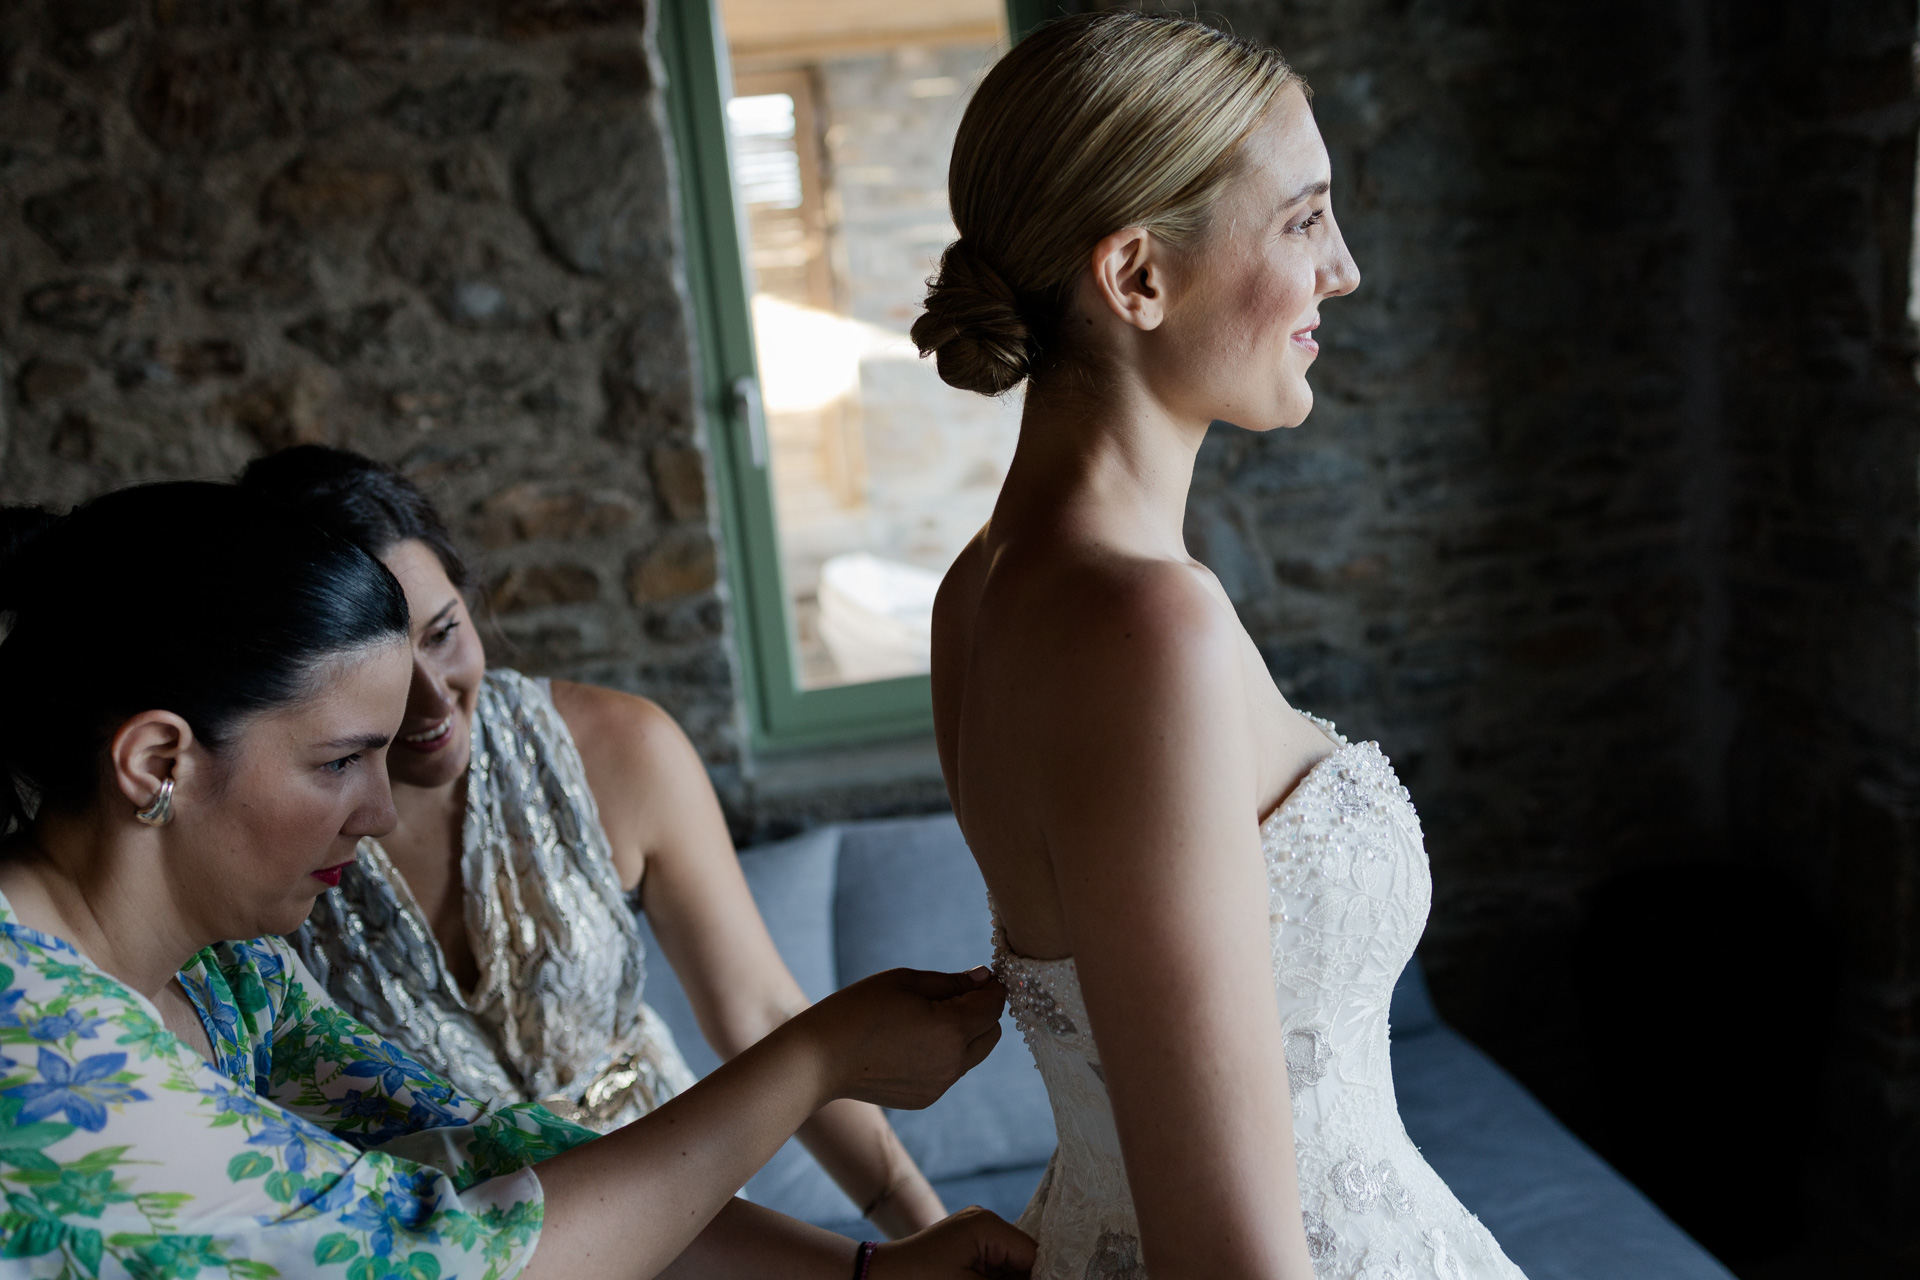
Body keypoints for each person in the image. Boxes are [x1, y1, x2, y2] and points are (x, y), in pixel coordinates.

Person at [0, 481, 1032, 1279]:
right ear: (159, 762)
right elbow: (466, 1258)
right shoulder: (35, 1040)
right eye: (339, 761)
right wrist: (816, 1056)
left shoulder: (233, 974)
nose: (379, 811)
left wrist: (867, 1269)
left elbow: (491, 1159)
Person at [916, 12, 1526, 1280]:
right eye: (1304, 221)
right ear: (1137, 276)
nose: (1344, 270)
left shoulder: (978, 592)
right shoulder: (1149, 627)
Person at [236, 446, 951, 1237]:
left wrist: (922, 1228)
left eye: (442, 633)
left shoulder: (622, 750)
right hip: (453, 1254)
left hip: (684, 1218)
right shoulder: (261, 855)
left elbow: (763, 1014)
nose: (433, 699)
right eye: (383, 667)